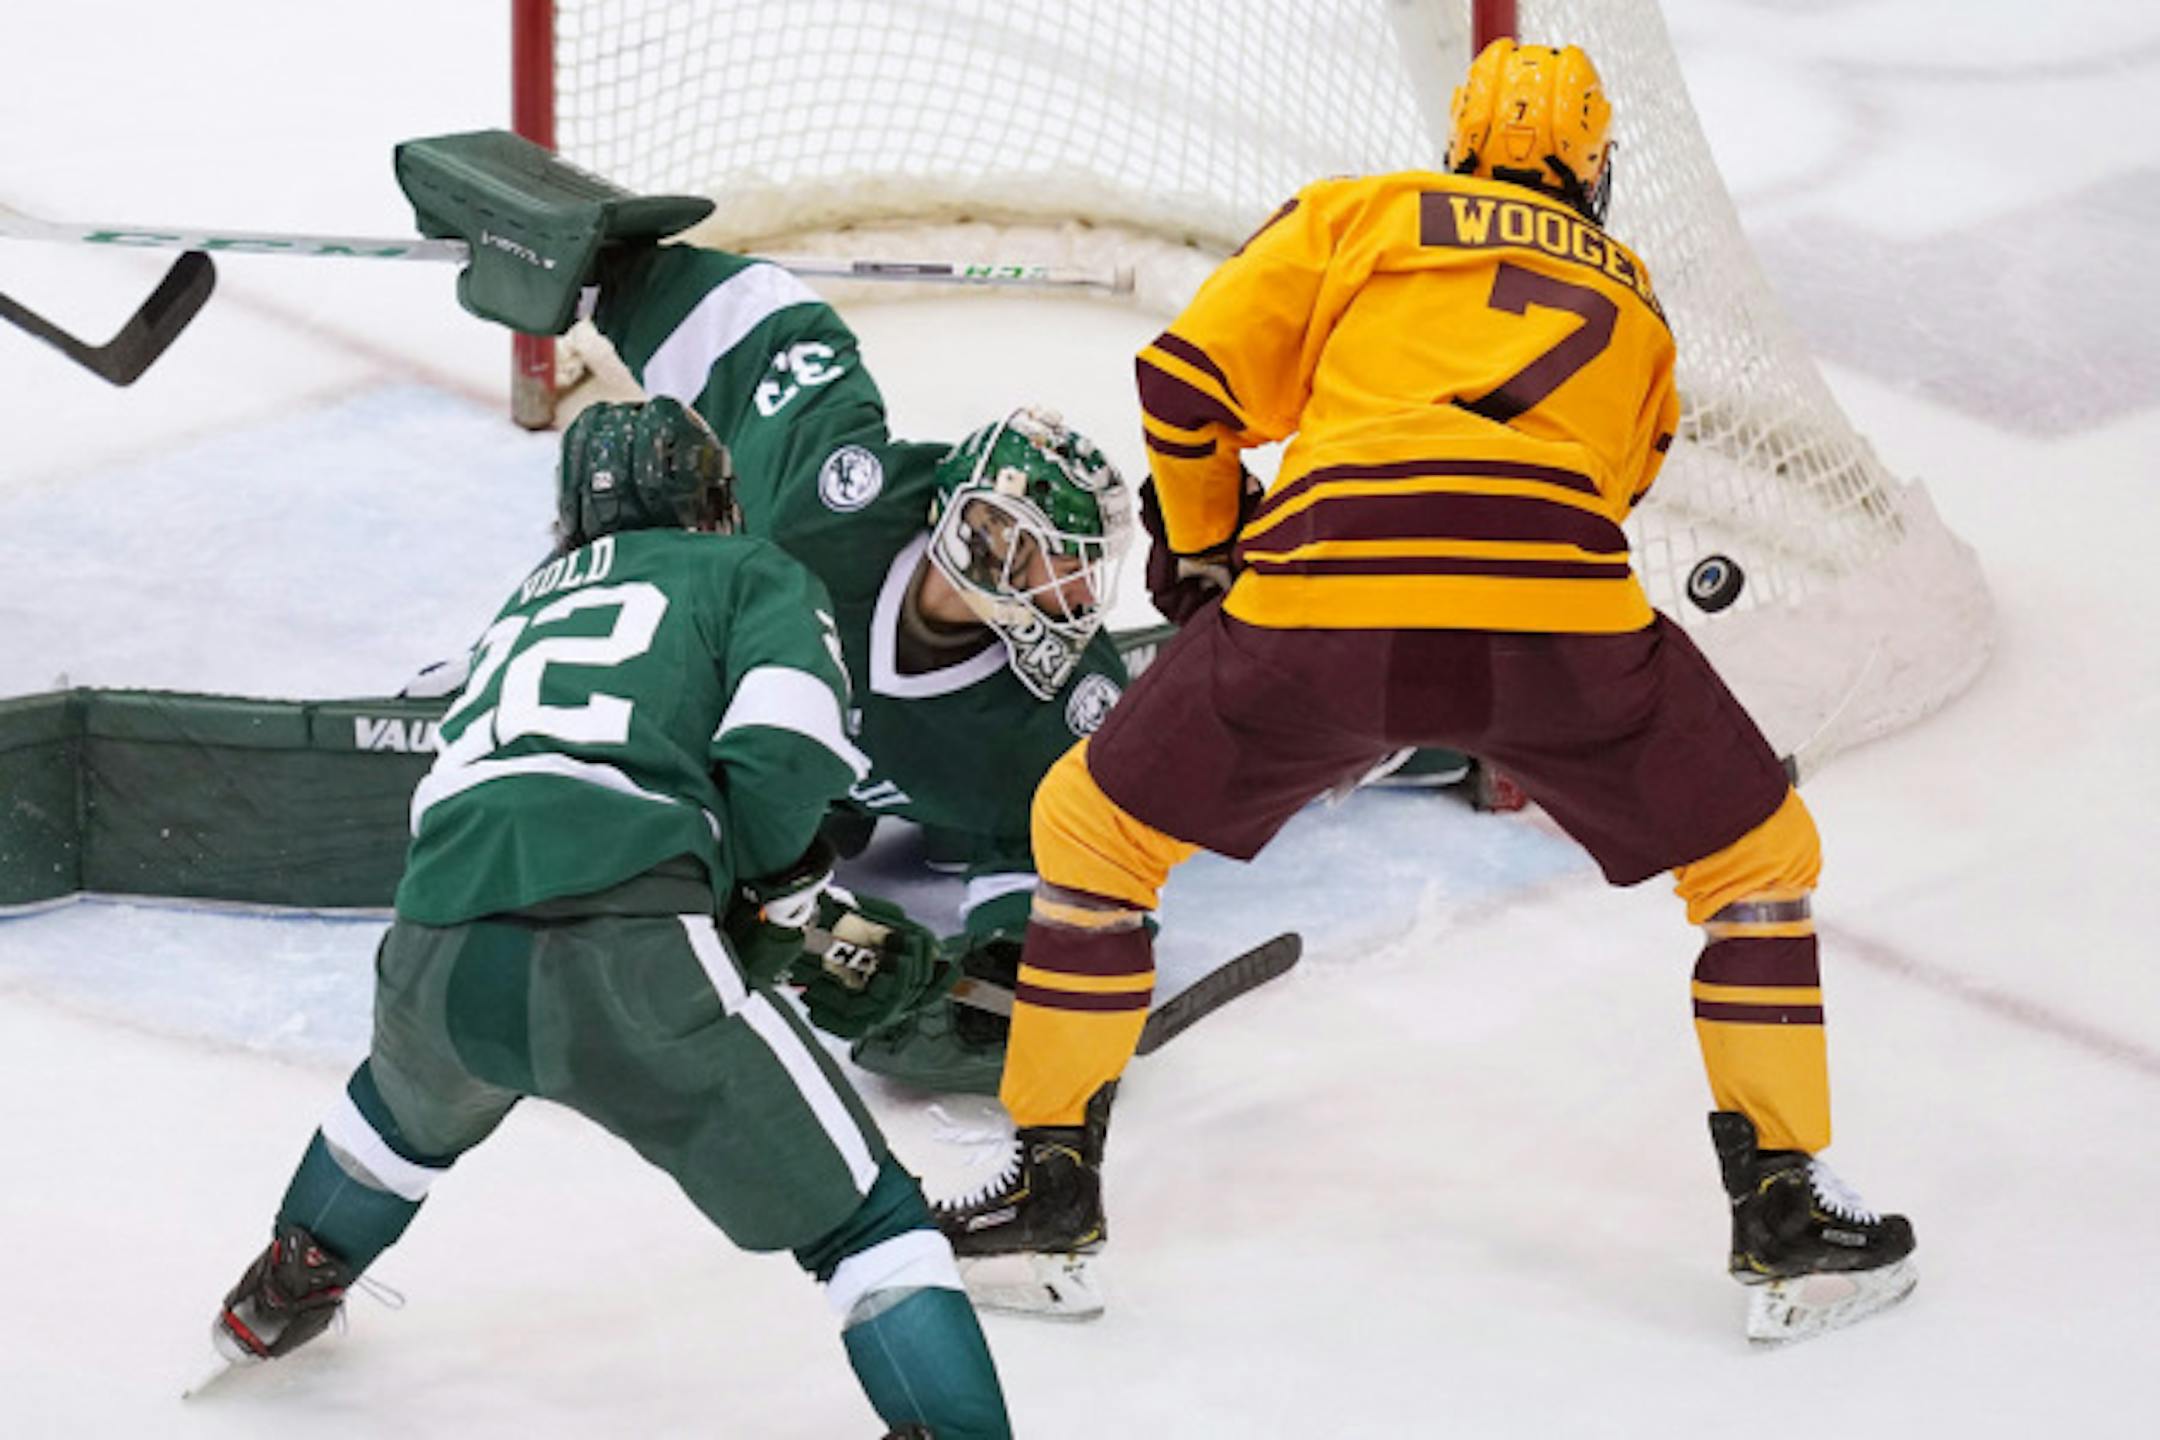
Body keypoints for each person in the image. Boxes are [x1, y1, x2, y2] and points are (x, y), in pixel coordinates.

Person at [933, 39, 1917, 1344]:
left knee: (1091, 835)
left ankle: (1046, 1204)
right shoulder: (1635, 301)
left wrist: (1206, 546)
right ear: (1596, 175)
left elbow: (1185, 381)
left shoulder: (1366, 213)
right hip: (1559, 622)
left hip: (1326, 595)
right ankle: (1791, 1215)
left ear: (1465, 144)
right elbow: (1601, 493)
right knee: (1761, 864)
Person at [205, 398, 1011, 1438]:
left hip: (435, 941)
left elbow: (446, 791)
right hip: (633, 948)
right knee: (872, 1230)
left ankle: (279, 1293)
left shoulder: (517, 606)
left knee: (397, 1117)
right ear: (709, 500)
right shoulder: (749, 572)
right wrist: (762, 894)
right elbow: (789, 746)